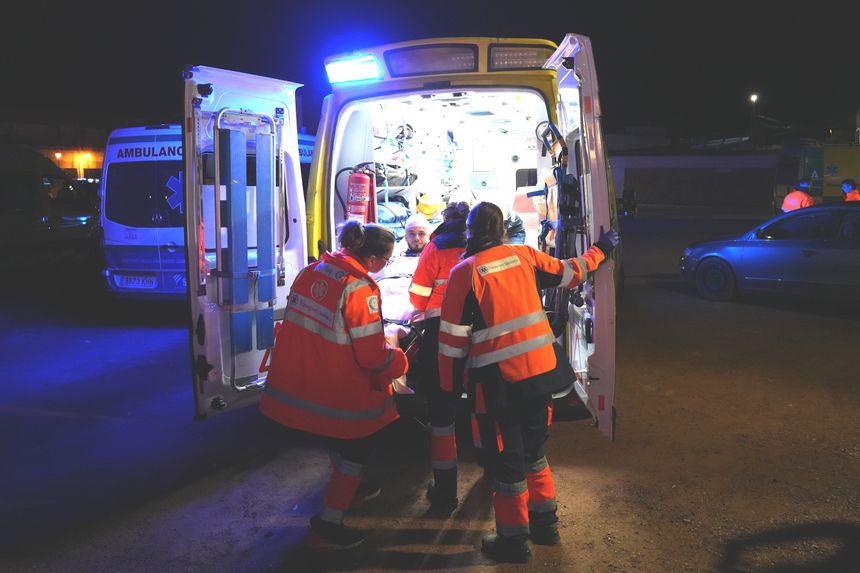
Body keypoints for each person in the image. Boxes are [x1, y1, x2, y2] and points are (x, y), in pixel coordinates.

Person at [438, 202, 618, 563]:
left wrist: (448, 389)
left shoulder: (464, 272)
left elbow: (452, 340)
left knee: (506, 461)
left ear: (469, 232)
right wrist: (604, 247)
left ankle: (512, 540)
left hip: (498, 384)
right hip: (541, 374)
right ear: (502, 228)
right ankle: (545, 526)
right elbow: (573, 272)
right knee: (535, 453)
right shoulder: (524, 255)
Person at [260, 221, 408, 551]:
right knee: (357, 449)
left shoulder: (314, 270)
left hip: (303, 381)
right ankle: (329, 523)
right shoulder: (359, 288)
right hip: (337, 388)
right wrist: (400, 360)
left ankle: (349, 488)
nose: (385, 267)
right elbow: (371, 355)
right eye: (386, 261)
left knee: (337, 442)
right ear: (371, 260)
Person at [408, 201, 469, 510]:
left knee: (441, 409)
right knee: (483, 402)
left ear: (444, 219)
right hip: (478, 333)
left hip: (440, 330)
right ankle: (490, 463)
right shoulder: (486, 245)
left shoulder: (436, 246)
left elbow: (418, 296)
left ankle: (445, 492)